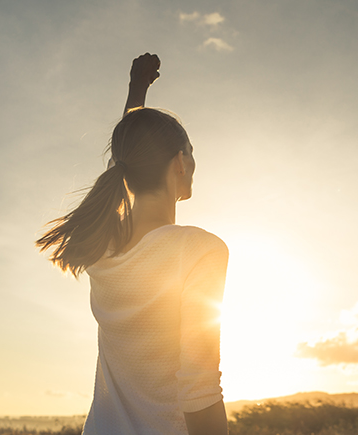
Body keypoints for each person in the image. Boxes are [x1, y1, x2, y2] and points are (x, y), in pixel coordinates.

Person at [36, 53, 229, 435]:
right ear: (180, 162)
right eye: (191, 153)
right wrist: (135, 92)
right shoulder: (199, 250)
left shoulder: (102, 248)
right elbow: (199, 388)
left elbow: (123, 161)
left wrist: (136, 92)